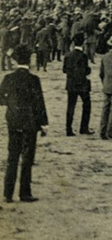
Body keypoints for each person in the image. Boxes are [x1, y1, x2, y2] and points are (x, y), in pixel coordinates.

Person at [0, 45, 48, 203]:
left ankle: (8, 193)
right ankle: (25, 193)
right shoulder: (34, 79)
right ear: (29, 59)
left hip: (13, 120)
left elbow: (1, 99)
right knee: (27, 158)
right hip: (30, 121)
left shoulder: (8, 78)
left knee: (12, 156)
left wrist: (11, 103)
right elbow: (39, 103)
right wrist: (43, 124)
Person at [62, 33, 93, 136]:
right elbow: (85, 71)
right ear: (83, 42)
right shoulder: (83, 56)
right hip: (82, 84)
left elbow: (64, 70)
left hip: (71, 83)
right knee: (87, 105)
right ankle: (83, 128)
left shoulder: (68, 55)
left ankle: (68, 129)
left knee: (70, 106)